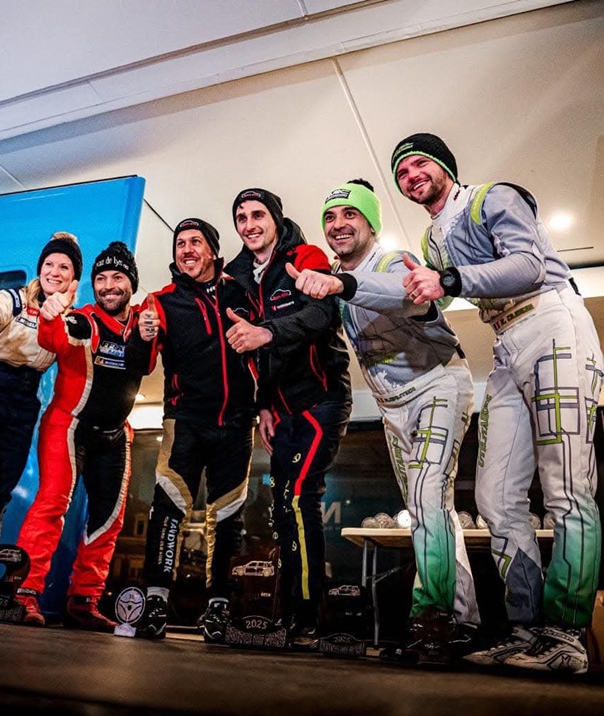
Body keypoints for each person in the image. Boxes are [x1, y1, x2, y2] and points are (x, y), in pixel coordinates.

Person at [392, 132, 604, 674]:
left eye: (419, 164)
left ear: (444, 165)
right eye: (402, 172)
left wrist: (446, 279)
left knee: (566, 486)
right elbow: (444, 293)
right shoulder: (432, 237)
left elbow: (528, 265)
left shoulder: (492, 196)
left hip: (552, 320)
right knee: (494, 496)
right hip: (506, 344)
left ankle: (567, 633)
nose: (411, 176)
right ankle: (526, 628)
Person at [288, 178, 481, 664]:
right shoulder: (331, 277)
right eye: (330, 217)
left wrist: (341, 284)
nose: (338, 224)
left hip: (437, 384)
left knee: (427, 498)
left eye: (350, 214)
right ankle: (462, 621)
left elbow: (408, 295)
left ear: (372, 223)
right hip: (391, 405)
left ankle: (430, 619)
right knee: (428, 508)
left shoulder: (394, 262)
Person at [225, 188, 352, 648]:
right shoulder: (237, 276)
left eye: (258, 214)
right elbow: (248, 351)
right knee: (283, 507)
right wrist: (262, 404)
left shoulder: (305, 256)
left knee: (299, 498)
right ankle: (288, 610)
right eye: (241, 217)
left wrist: (266, 332)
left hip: (322, 399)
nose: (249, 224)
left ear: (276, 220)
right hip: (279, 411)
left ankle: (307, 616)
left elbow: (322, 315)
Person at [128, 218, 257, 643]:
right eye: (180, 243)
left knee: (229, 515)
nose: (186, 249)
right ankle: (156, 601)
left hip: (237, 422)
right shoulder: (161, 301)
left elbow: (268, 345)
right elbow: (138, 363)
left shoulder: (242, 291)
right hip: (185, 421)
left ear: (213, 251)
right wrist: (142, 336)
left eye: (195, 242)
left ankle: (219, 607)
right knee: (168, 508)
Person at [14, 241, 147, 631]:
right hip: (68, 425)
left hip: (115, 436)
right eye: (100, 278)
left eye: (117, 277)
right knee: (52, 503)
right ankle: (23, 593)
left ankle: (84, 601)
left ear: (131, 283)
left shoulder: (144, 323)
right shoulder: (84, 320)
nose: (108, 286)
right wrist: (50, 317)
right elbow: (56, 339)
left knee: (109, 519)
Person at [0, 232, 82, 617]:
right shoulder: (15, 298)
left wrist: (56, 318)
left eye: (64, 267)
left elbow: (77, 357)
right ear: (40, 269)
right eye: (49, 264)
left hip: (25, 400)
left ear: (74, 278)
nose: (54, 272)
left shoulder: (73, 319)